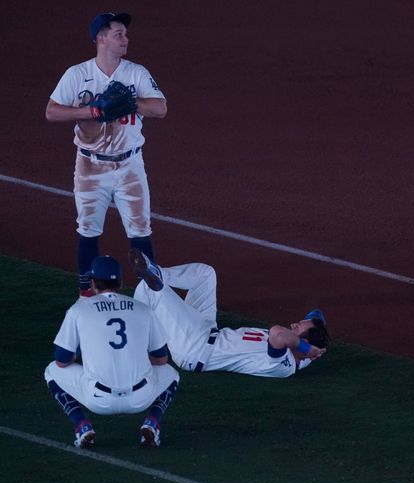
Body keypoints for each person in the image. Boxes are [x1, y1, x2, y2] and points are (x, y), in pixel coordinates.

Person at [45, 12, 167, 298]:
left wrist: (130, 103)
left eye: (125, 34)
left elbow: (161, 108)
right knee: (88, 228)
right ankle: (86, 293)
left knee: (140, 229)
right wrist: (92, 111)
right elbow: (51, 111)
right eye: (119, 34)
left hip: (130, 164)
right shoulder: (77, 75)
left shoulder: (136, 72)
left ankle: (150, 299)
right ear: (101, 39)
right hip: (90, 165)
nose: (125, 39)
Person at [44, 255, 180, 448]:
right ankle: (152, 423)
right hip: (141, 397)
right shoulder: (143, 309)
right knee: (171, 374)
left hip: (98, 400)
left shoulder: (78, 310)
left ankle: (82, 426)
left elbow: (61, 361)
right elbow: (161, 359)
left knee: (51, 371)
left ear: (92, 283)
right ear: (121, 282)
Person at [128, 248, 331, 377]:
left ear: (302, 345)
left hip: (194, 348)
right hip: (207, 329)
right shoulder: (304, 353)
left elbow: (278, 334)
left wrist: (305, 346)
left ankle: (132, 344)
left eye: (299, 327)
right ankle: (156, 272)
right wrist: (312, 347)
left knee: (151, 289)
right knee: (205, 274)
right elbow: (316, 314)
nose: (295, 324)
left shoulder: (284, 364)